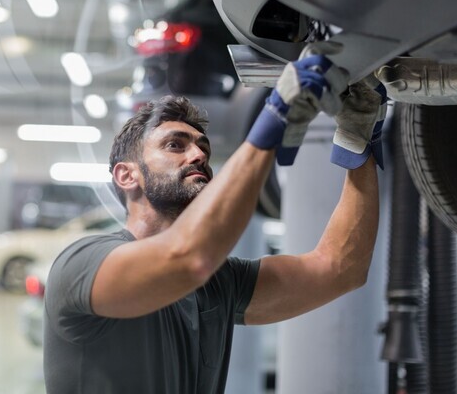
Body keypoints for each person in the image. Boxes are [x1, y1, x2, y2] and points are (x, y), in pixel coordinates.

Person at [43, 48, 387, 394]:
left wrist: (356, 143)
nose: (198, 156)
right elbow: (188, 258)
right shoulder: (83, 263)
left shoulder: (220, 282)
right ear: (126, 176)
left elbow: (341, 268)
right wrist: (275, 117)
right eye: (175, 145)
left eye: (203, 149)